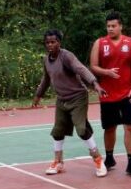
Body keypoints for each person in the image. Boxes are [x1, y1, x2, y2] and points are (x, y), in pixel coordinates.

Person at [32, 30, 108, 177]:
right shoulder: (46, 60)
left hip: (77, 97)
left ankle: (98, 159)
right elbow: (46, 79)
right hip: (62, 99)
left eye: (53, 42)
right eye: (47, 42)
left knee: (81, 129)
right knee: (58, 131)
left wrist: (95, 84)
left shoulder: (66, 56)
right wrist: (38, 95)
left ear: (59, 43)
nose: (50, 45)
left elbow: (81, 69)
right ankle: (58, 162)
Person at [89, 11, 131, 177]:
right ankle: (110, 158)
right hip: (108, 94)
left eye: (113, 26)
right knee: (110, 128)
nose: (110, 29)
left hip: (128, 93)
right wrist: (106, 72)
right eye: (108, 26)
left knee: (130, 128)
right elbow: (93, 66)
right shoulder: (100, 43)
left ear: (120, 26)